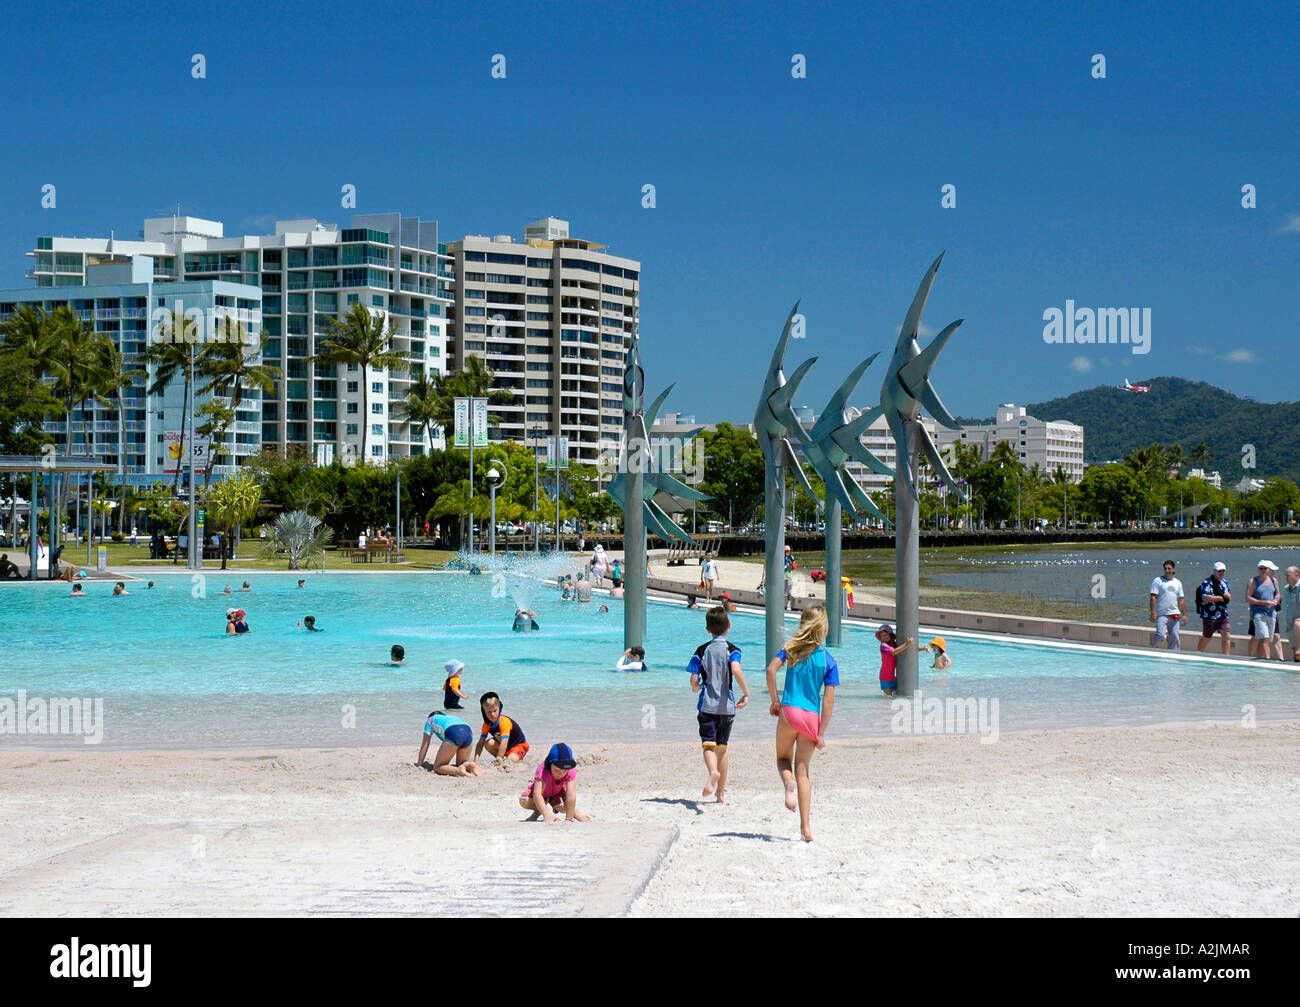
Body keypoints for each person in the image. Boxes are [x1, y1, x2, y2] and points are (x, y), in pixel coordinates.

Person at [765, 605, 838, 842]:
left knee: (782, 758)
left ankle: (787, 785)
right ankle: (806, 828)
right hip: (811, 717)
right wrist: (821, 733)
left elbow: (770, 670)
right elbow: (828, 701)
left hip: (790, 711)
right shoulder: (828, 660)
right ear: (824, 629)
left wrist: (775, 701)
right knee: (803, 772)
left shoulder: (791, 649)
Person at [687, 606, 750, 803]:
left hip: (707, 705)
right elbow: (736, 670)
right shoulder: (733, 650)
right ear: (729, 625)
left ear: (707, 629)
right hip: (727, 707)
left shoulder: (701, 650)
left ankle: (713, 772)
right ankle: (720, 794)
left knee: (708, 747)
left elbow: (694, 679)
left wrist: (695, 687)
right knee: (722, 749)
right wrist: (746, 693)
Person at [519, 743, 588, 822]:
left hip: (557, 793)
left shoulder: (570, 770)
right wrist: (547, 815)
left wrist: (569, 818)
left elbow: (571, 795)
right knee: (524, 800)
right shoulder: (543, 770)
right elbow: (537, 794)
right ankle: (539, 812)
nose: (561, 774)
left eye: (564, 770)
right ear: (550, 764)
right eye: (557, 770)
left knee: (565, 805)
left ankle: (573, 812)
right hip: (541, 793)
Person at [414, 709, 482, 776]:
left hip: (453, 731)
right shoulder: (450, 717)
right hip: (468, 731)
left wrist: (419, 763)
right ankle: (469, 765)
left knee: (438, 767)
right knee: (461, 764)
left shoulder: (430, 719)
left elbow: (425, 744)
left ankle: (458, 770)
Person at [475, 692, 530, 762]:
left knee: (511, 759)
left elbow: (504, 742)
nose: (492, 714)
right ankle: (504, 757)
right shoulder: (486, 724)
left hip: (519, 745)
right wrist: (475, 761)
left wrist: (498, 761)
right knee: (488, 743)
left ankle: (509, 757)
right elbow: (480, 743)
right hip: (505, 747)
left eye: (495, 711)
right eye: (489, 712)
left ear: (499, 708)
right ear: (484, 712)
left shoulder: (504, 722)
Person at [1246, 560, 1280, 661]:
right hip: (1258, 613)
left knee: (1267, 639)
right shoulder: (1253, 581)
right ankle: (1267, 660)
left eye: (1265, 568)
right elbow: (1248, 598)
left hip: (1271, 613)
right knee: (1264, 638)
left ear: (1268, 569)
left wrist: (1275, 600)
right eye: (1261, 568)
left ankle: (1260, 658)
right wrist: (1265, 603)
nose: (1263, 570)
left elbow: (1277, 593)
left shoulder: (1274, 580)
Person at [1196, 562, 1232, 655]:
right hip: (1209, 615)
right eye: (1219, 571)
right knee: (1207, 637)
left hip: (1223, 614)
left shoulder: (1225, 583)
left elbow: (1228, 597)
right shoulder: (1207, 582)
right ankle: (1199, 653)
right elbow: (1205, 597)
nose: (1221, 573)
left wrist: (1226, 597)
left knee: (1226, 635)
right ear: (1214, 571)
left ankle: (1226, 657)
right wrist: (1220, 598)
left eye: (1223, 571)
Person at [1148, 559, 1186, 650]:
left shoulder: (1178, 583)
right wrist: (1153, 612)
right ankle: (1151, 649)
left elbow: (1181, 599)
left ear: (1174, 569)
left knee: (1174, 636)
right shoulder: (1157, 581)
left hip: (1174, 613)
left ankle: (1174, 654)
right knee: (1161, 634)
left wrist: (1184, 614)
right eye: (1165, 569)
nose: (1167, 571)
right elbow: (1153, 597)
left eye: (1169, 569)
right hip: (1162, 614)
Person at [875, 624, 913, 696]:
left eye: (886, 635)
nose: (884, 637)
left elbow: (904, 650)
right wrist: (907, 644)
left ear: (890, 635)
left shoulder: (894, 645)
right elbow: (894, 652)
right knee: (888, 700)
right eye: (882, 636)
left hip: (893, 677)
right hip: (885, 677)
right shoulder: (883, 646)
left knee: (896, 696)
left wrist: (921, 648)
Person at [1279, 565, 1300, 663]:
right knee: (1294, 650)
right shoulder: (1286, 588)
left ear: (1297, 575)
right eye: (1286, 576)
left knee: (1297, 623)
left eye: (1288, 575)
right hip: (1289, 623)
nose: (1286, 578)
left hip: (1298, 623)